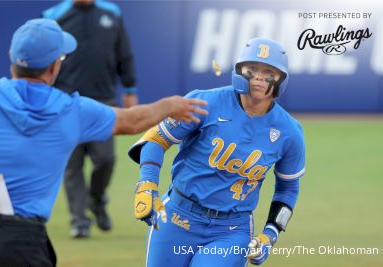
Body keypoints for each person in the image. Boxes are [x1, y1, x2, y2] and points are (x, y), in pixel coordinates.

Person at [0, 18, 208, 266]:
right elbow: (131, 121)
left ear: (11, 56)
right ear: (54, 67)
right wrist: (169, 105)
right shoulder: (71, 110)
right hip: (25, 244)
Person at [128, 38, 305, 266]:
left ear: (282, 79)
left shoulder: (289, 131)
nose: (259, 77)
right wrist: (147, 184)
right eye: (252, 69)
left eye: (269, 72)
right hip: (177, 217)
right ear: (239, 71)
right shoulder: (205, 102)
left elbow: (288, 188)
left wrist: (271, 234)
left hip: (231, 230)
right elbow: (156, 138)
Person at [42, 0, 138, 238]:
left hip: (102, 101)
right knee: (72, 165)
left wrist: (130, 88)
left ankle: (96, 200)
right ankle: (79, 221)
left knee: (105, 159)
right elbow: (45, 57)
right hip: (65, 102)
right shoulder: (54, 15)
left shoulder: (111, 13)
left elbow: (123, 52)